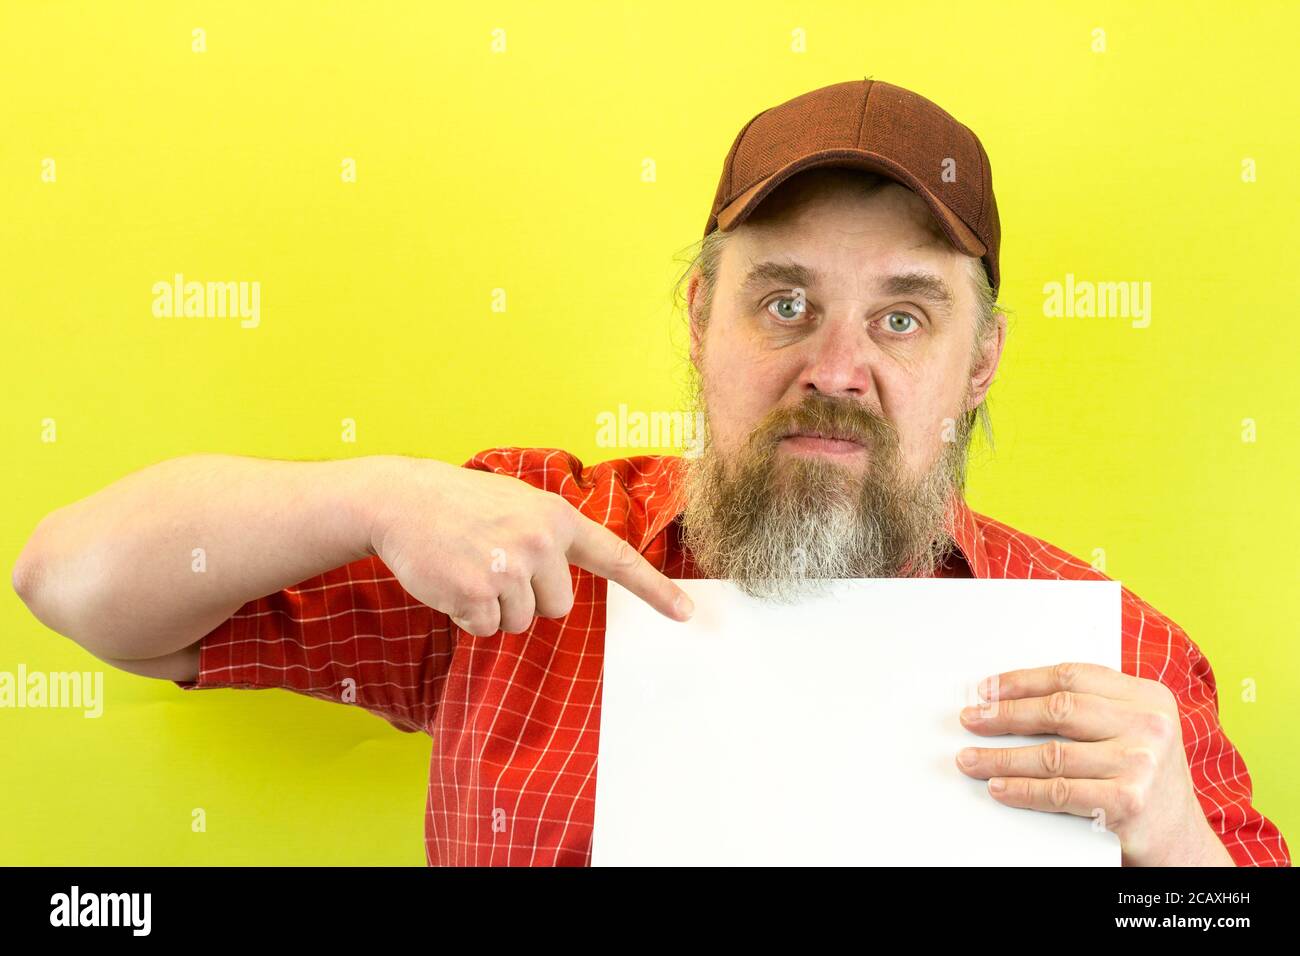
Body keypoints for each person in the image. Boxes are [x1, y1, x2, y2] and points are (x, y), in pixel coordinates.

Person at [13, 79, 1289, 867]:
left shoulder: (1118, 654)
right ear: (697, 320)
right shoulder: (520, 554)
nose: (836, 366)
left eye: (902, 317)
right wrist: (372, 493)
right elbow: (70, 580)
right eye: (782, 300)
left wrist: (1174, 847)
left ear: (980, 363)